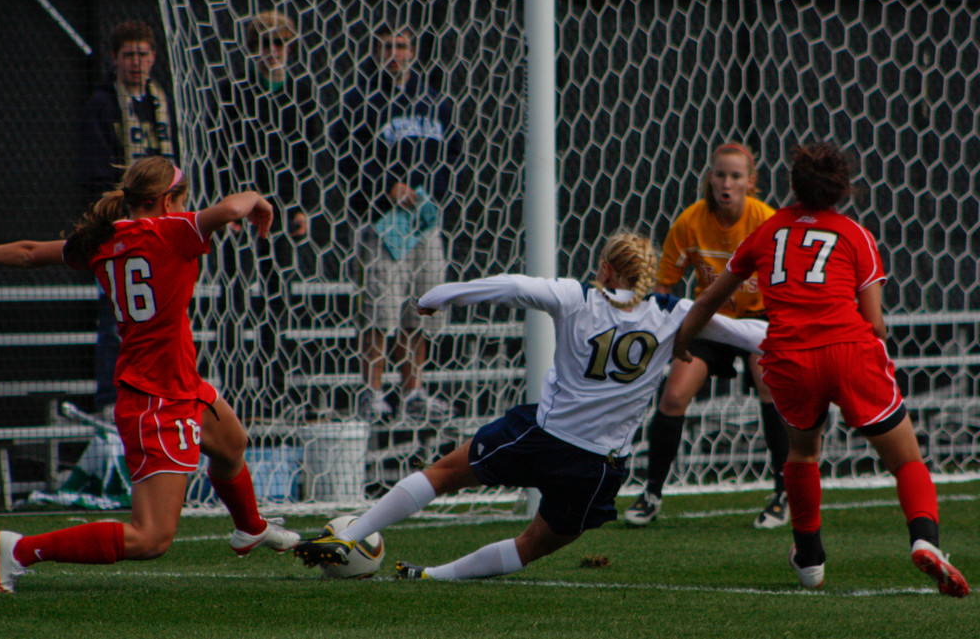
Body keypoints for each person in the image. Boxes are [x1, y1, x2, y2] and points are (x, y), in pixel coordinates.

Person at [293, 231, 767, 580]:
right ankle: (433, 576)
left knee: (442, 474)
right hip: (601, 466)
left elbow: (512, 285)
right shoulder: (674, 313)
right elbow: (753, 334)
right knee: (534, 545)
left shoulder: (579, 296)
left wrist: (440, 295)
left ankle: (352, 534)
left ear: (605, 269)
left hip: (544, 438)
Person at [0, 157, 302, 594]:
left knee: (232, 442)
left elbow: (29, 252)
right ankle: (21, 550)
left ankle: (250, 527)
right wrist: (257, 198)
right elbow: (234, 208)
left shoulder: (104, 239)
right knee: (151, 538)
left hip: (176, 382)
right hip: (155, 398)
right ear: (166, 200)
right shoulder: (174, 229)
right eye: (182, 197)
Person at [671, 142, 969, 597]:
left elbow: (711, 298)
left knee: (804, 454)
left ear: (792, 184)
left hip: (791, 358)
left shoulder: (767, 231)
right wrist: (873, 357)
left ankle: (809, 561)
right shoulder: (855, 235)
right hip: (848, 352)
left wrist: (683, 338)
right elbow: (874, 324)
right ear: (842, 189)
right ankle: (925, 540)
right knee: (906, 458)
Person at [624, 142, 790, 530]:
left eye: (735, 176)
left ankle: (784, 494)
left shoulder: (767, 221)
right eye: (720, 174)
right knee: (674, 395)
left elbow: (786, 282)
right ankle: (651, 493)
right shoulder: (690, 222)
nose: (726, 183)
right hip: (710, 321)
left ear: (751, 183)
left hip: (760, 320)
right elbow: (665, 287)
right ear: (709, 178)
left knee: (771, 387)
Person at [331, 23, 462, 422]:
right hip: (381, 223)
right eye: (387, 45)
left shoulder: (434, 101)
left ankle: (413, 391)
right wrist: (387, 186)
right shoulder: (359, 98)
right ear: (374, 50)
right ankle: (371, 392)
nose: (395, 53)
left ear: (413, 51)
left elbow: (454, 154)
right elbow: (347, 152)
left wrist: (428, 194)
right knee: (378, 310)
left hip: (423, 223)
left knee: (420, 307)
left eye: (402, 46)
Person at [79, 20, 180, 416]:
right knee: (115, 313)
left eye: (142, 54)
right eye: (128, 55)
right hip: (122, 225)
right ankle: (109, 396)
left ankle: (155, 388)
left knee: (161, 311)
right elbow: (95, 171)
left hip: (162, 227)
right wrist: (125, 209)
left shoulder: (162, 102)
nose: (136, 62)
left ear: (153, 57)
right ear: (114, 59)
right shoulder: (103, 105)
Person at [221, 10, 323, 242]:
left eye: (280, 43)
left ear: (291, 48)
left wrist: (302, 207)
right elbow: (221, 151)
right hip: (241, 202)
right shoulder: (233, 91)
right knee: (237, 271)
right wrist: (225, 204)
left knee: (278, 273)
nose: (272, 51)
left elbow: (306, 155)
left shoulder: (302, 94)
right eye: (265, 44)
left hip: (283, 203)